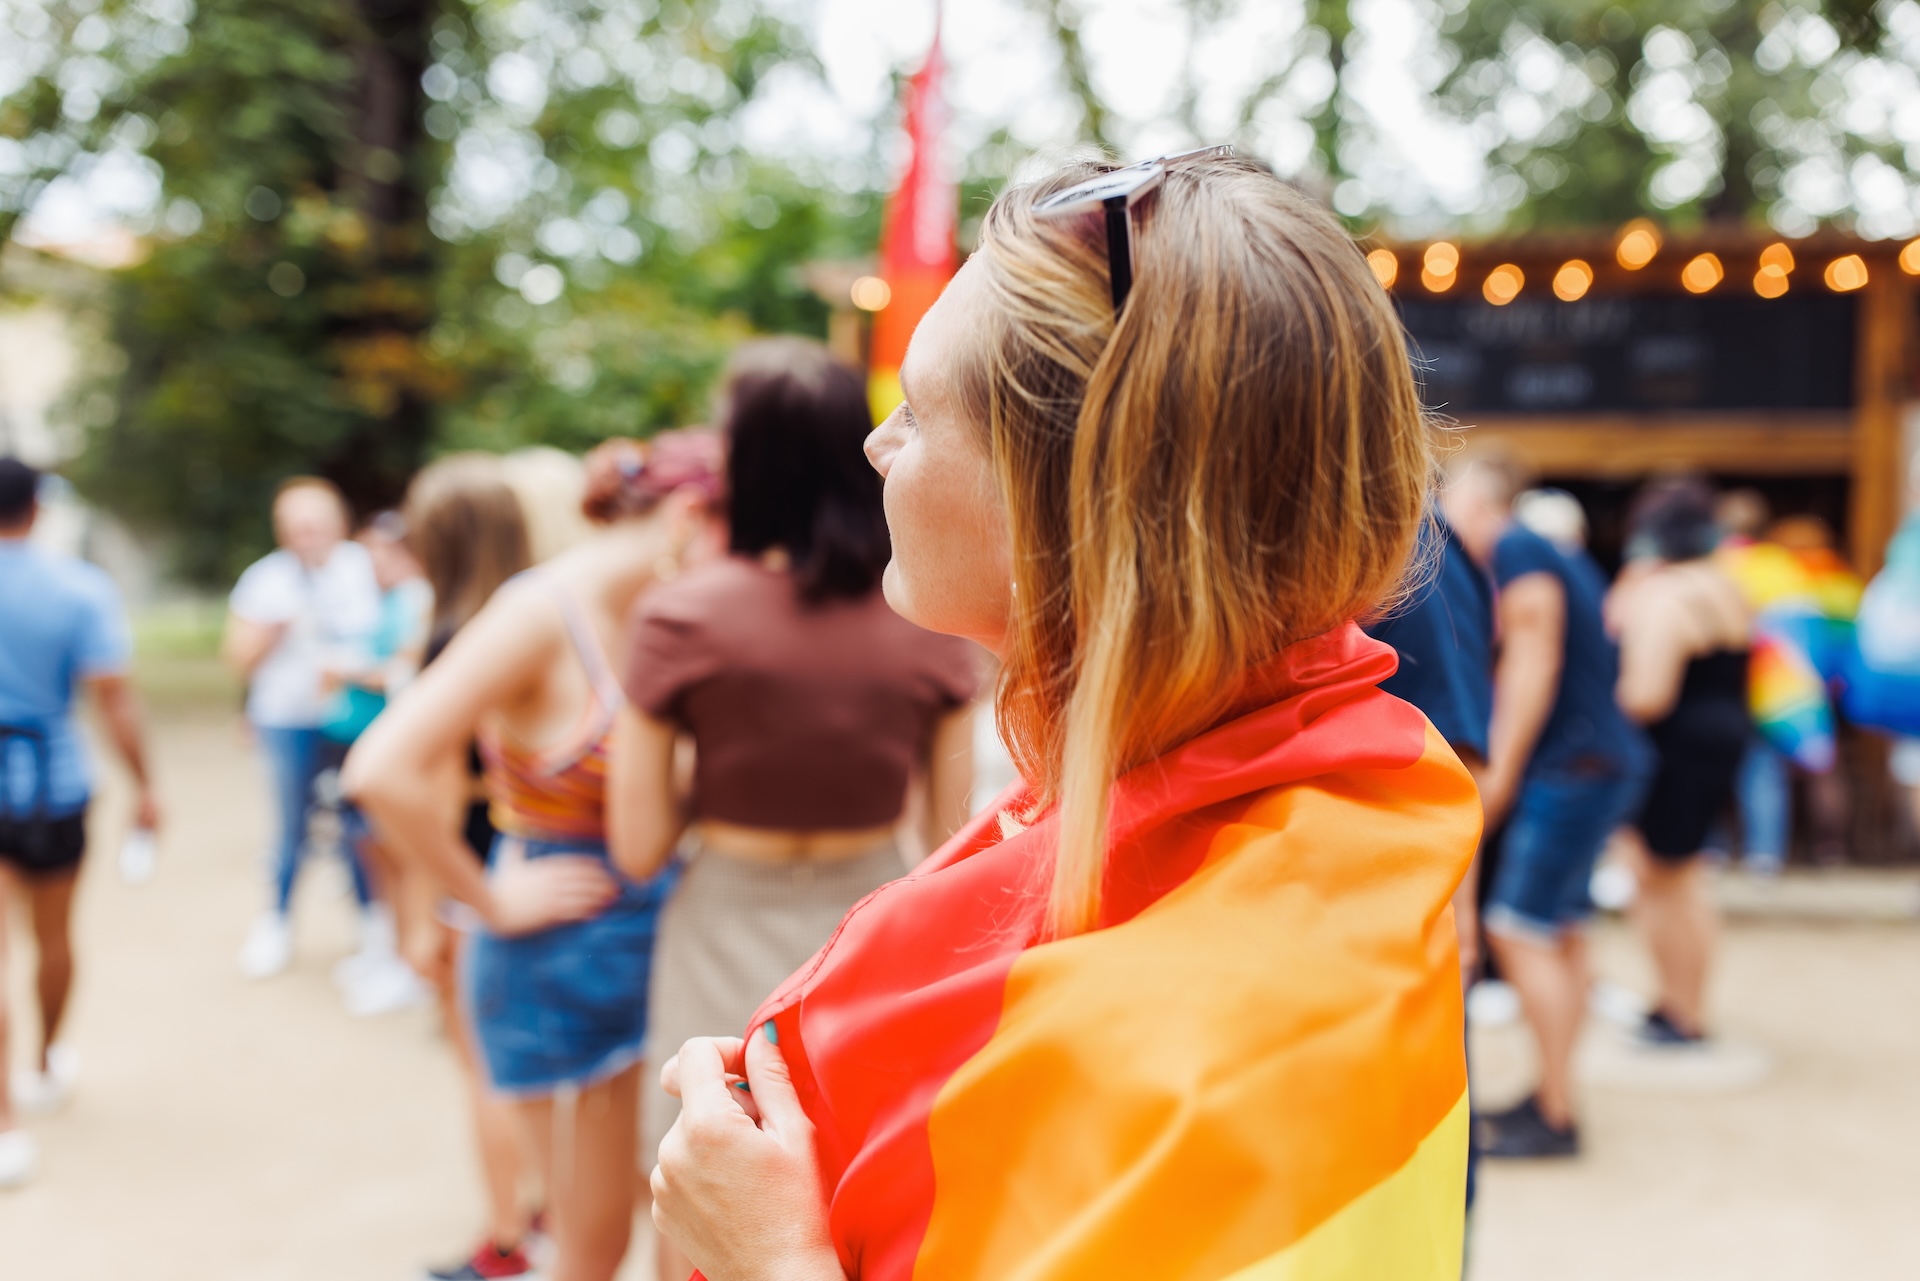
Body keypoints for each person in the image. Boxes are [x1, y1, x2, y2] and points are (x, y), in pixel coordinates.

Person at [646, 155, 1479, 1280]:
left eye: (921, 408)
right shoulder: (1331, 809)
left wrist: (769, 1260)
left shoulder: (1188, 1035)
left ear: (1071, 498)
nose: (875, 446)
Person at [605, 338, 980, 1281]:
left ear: (747, 459)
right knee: (856, 1192)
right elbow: (948, 834)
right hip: (875, 924)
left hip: (724, 911)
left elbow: (639, 842)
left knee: (699, 1185)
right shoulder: (924, 613)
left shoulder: (682, 616)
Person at [346, 434, 721, 1281]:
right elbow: (383, 770)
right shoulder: (541, 610)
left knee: (667, 1211)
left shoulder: (663, 602)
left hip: (662, 926)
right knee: (591, 1242)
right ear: (689, 516)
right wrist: (488, 899)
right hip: (572, 936)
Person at [1443, 455, 1648, 1160]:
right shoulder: (1553, 550)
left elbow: (1536, 656)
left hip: (1575, 763)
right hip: (1596, 758)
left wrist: (1492, 778)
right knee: (1560, 928)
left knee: (1517, 926)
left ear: (1482, 499)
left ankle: (1555, 1111)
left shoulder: (1519, 544)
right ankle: (1554, 1093)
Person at [388, 456, 547, 1281]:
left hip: (477, 877)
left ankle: (507, 1239)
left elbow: (431, 796)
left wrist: (421, 915)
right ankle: (546, 1206)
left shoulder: (451, 645)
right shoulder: (545, 628)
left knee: (486, 1066)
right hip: (536, 858)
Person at [0, 457, 159, 1188]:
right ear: (38, 507)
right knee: (54, 936)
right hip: (54, 785)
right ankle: (41, 1062)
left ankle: (6, 1120)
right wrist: (147, 785)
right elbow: (114, 701)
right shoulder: (78, 588)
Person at [1610, 480, 1751, 1046]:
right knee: (1687, 878)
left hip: (1677, 748)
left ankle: (1678, 1010)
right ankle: (1685, 1004)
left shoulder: (1670, 596)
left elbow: (1646, 693)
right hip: (1720, 736)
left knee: (1663, 881)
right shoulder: (1725, 585)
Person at [223, 477, 383, 978]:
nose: (307, 535)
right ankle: (276, 924)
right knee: (292, 825)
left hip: (353, 719)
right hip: (287, 718)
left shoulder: (364, 567)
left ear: (338, 523)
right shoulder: (264, 580)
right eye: (298, 527)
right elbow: (237, 658)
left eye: (316, 524)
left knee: (360, 824)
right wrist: (270, 634)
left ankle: (373, 929)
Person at [318, 511, 434, 1016]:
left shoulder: (417, 599)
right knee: (376, 853)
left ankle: (409, 964)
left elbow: (405, 670)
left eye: (385, 552)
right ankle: (390, 952)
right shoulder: (392, 600)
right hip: (366, 741)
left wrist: (349, 669)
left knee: (400, 858)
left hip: (395, 749)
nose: (376, 564)